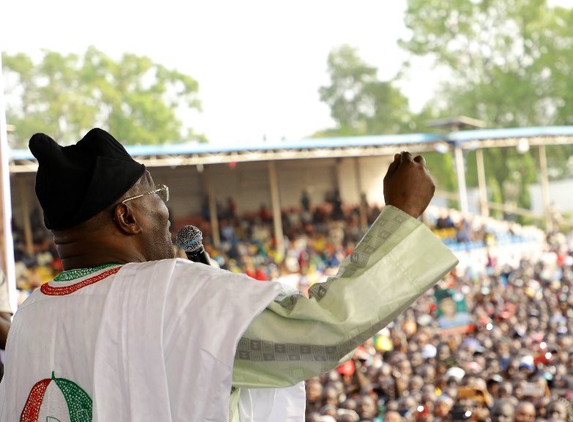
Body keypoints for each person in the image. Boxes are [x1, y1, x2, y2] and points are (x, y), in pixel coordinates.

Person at [0, 129, 458, 422]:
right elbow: (316, 334)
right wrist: (403, 214)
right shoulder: (170, 294)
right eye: (155, 194)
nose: (166, 208)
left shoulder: (30, 320)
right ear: (127, 217)